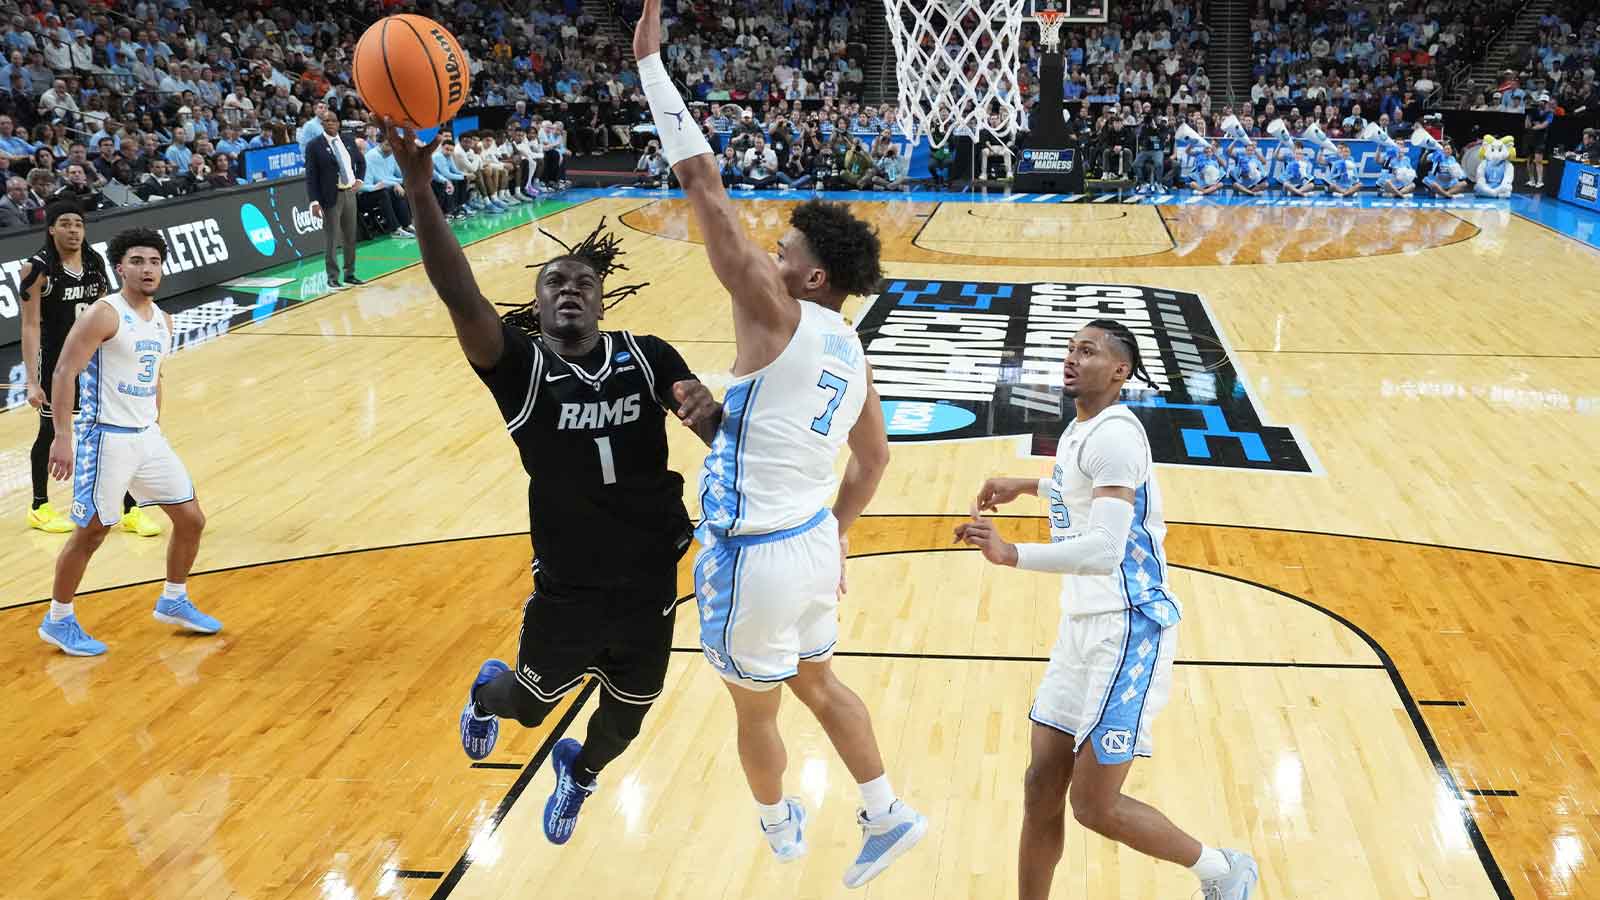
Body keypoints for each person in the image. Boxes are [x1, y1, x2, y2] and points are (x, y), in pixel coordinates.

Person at [632, 1, 928, 888]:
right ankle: (885, 812)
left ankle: (779, 822)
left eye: (784, 246)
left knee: (754, 711)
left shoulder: (776, 308)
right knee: (820, 684)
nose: (769, 250)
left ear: (812, 276)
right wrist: (728, 434)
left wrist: (651, 66)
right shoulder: (851, 349)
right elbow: (870, 463)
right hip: (806, 546)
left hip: (753, 556)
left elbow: (702, 182)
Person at [384, 118, 724, 846]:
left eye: (582, 282)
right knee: (530, 706)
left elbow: (710, 423)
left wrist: (707, 413)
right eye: (553, 282)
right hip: (570, 585)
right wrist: (419, 188)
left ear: (603, 299)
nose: (569, 289)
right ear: (536, 306)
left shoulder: (648, 353)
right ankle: (484, 690)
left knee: (628, 715)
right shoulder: (519, 369)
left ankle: (582, 771)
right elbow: (460, 295)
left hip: (648, 579)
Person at [955, 319, 1259, 900]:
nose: (1072, 359)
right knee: (1040, 783)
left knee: (1094, 806)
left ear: (1120, 371)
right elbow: (1080, 485)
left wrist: (1011, 551)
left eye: (1087, 352)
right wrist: (1029, 484)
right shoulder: (1081, 430)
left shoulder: (1118, 435)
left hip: (1129, 627)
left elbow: (1104, 550)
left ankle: (1222, 869)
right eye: (1070, 350)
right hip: (1081, 626)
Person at [37, 226, 221, 657]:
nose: (148, 269)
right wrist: (62, 436)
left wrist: (156, 423)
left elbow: (155, 374)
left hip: (147, 438)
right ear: (120, 267)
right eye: (137, 261)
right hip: (106, 438)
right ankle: (58, 620)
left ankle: (173, 599)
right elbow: (64, 372)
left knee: (192, 519)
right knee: (91, 533)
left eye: (155, 261)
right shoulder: (104, 313)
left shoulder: (162, 319)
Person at [20, 201, 160, 537]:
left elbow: (110, 310)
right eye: (65, 223)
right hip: (56, 362)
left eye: (78, 224)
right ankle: (39, 506)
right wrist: (31, 381)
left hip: (96, 361)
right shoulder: (36, 268)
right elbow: (29, 326)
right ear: (51, 228)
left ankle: (130, 509)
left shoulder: (95, 262)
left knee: (118, 431)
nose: (73, 230)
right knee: (52, 433)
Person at [304, 109, 365, 291]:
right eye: (327, 121)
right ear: (322, 124)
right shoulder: (314, 145)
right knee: (332, 238)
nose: (330, 123)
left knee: (350, 236)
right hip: (331, 196)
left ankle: (350, 274)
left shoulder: (347, 140)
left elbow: (361, 162)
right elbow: (311, 176)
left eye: (333, 121)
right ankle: (332, 278)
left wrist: (359, 180)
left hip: (349, 193)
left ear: (339, 123)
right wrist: (314, 201)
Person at [1524, 94, 1553, 189]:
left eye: (1545, 102)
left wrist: (1534, 126)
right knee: (1529, 160)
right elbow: (1527, 126)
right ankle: (1531, 180)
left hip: (1540, 139)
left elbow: (1544, 125)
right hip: (1530, 138)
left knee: (1538, 160)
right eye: (1542, 101)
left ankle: (1540, 181)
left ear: (1547, 103)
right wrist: (1528, 116)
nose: (1543, 103)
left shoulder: (1549, 113)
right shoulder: (1533, 112)